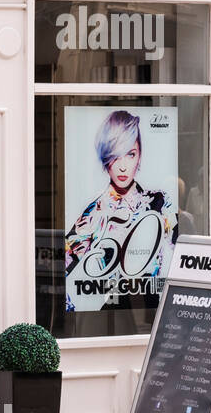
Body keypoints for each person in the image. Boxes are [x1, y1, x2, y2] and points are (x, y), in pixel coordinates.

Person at [64, 110, 177, 313]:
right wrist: (69, 310)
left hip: (151, 304)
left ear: (139, 155)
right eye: (115, 157)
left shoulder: (158, 202)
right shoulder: (95, 212)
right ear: (106, 159)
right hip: (113, 308)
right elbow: (60, 265)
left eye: (130, 154)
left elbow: (184, 252)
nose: (123, 167)